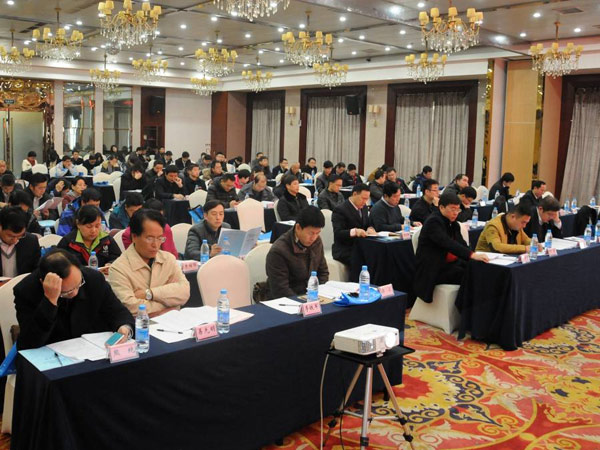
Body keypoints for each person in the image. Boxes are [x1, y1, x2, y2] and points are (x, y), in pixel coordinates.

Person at [14, 249, 134, 350]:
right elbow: (30, 343)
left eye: (78, 285)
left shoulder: (93, 279)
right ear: (43, 282)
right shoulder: (26, 291)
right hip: (51, 355)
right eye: (67, 292)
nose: (75, 293)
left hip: (92, 349)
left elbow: (118, 312)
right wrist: (50, 300)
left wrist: (124, 327)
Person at [108, 209, 190, 315]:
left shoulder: (168, 259)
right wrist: (169, 304)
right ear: (134, 237)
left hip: (173, 322)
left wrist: (150, 293)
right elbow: (130, 307)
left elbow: (184, 292)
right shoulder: (118, 269)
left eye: (160, 238)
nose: (155, 245)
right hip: (142, 324)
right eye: (149, 238)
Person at [414, 193, 488, 303]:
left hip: (451, 264)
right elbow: (448, 243)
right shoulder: (433, 222)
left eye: (458, 210)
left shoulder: (453, 224)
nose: (455, 213)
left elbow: (462, 244)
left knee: (477, 268)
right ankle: (463, 307)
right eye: (452, 209)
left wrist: (474, 256)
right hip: (433, 268)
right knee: (468, 274)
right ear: (441, 207)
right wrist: (472, 255)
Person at [266, 206, 329, 298]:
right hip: (288, 300)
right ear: (298, 227)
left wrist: (320, 294)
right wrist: (303, 302)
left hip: (311, 297)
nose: (314, 238)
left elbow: (323, 272)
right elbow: (280, 289)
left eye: (317, 233)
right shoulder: (279, 251)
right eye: (311, 233)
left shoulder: (317, 242)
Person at [57, 205, 121, 268]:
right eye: (89, 226)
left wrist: (110, 264)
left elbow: (118, 257)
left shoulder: (106, 239)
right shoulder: (68, 242)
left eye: (97, 226)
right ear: (78, 224)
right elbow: (58, 264)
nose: (93, 230)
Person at [332, 183, 376, 266]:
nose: (365, 202)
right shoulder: (340, 210)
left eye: (367, 199)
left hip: (361, 246)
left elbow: (367, 224)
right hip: (345, 248)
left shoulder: (364, 207)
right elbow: (338, 233)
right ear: (355, 194)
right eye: (363, 198)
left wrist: (370, 228)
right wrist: (355, 232)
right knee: (362, 259)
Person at [0, 206, 41, 277]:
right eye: (10, 236)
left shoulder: (31, 241)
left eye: (20, 236)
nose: (15, 240)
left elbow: (36, 270)